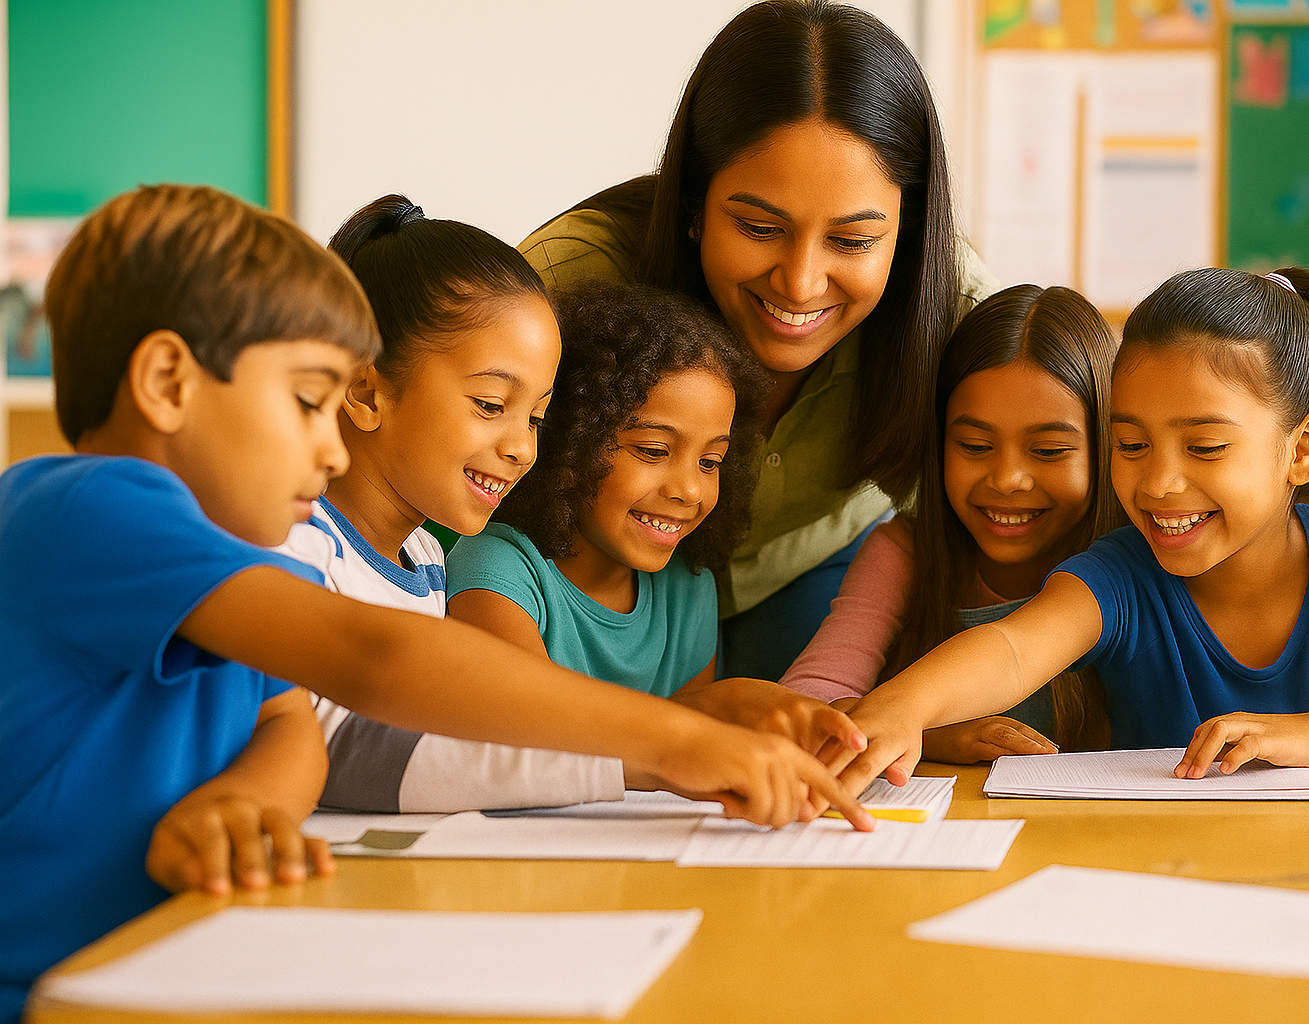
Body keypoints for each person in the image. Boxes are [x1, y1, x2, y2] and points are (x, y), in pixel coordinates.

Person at [0, 186, 871, 1024]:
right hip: (48, 987)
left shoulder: (252, 571)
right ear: (166, 382)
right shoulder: (87, 506)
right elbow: (372, 664)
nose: (325, 441)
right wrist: (677, 740)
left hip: (170, 969)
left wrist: (248, 803)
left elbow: (290, 729)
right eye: (308, 400)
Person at [829, 266, 1309, 797]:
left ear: (1304, 449)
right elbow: (1012, 650)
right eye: (1132, 445)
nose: (1160, 483)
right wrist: (904, 706)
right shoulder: (1120, 573)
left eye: (1203, 447)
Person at [519, 0, 1000, 679]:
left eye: (853, 240)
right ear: (693, 203)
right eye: (760, 228)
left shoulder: (961, 308)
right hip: (584, 590)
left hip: (815, 583)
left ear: (909, 229)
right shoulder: (567, 285)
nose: (801, 285)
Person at [277, 196, 640, 813]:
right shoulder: (293, 544)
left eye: (537, 417)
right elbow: (345, 750)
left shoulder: (423, 556)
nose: (523, 448)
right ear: (367, 391)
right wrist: (646, 759)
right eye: (492, 406)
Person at [447, 281, 860, 753]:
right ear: (568, 441)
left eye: (710, 462)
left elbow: (679, 766)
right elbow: (537, 734)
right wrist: (712, 710)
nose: (687, 490)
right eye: (652, 450)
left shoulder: (686, 585)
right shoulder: (494, 571)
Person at [781, 285, 1121, 761]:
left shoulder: (1131, 563)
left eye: (1047, 452)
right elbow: (806, 703)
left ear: (1107, 446)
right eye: (975, 447)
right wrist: (933, 736)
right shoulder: (905, 552)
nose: (1006, 480)